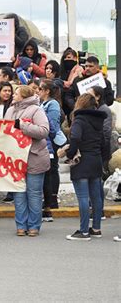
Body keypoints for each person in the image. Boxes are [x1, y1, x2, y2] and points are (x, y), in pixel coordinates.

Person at [4, 85, 50, 237]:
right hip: (16, 158)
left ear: (23, 95)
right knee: (19, 193)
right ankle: (21, 225)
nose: (13, 95)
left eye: (16, 93)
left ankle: (34, 226)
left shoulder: (37, 110)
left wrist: (23, 125)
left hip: (34, 156)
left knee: (34, 193)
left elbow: (44, 131)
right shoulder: (10, 110)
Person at [62, 94, 107, 241]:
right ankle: (96, 229)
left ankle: (83, 231)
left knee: (82, 197)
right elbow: (104, 142)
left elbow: (75, 138)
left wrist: (69, 153)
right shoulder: (99, 120)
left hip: (82, 162)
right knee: (96, 197)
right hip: (96, 160)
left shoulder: (79, 119)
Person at [38, 79, 64, 222]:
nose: (39, 91)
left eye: (41, 89)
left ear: (47, 91)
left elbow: (52, 125)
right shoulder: (43, 103)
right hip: (46, 140)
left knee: (50, 172)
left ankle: (49, 204)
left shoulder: (52, 104)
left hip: (52, 141)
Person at [88, 85, 113, 218]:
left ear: (97, 96)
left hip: (100, 151)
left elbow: (106, 132)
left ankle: (99, 210)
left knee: (97, 182)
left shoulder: (104, 110)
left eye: (90, 94)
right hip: (93, 151)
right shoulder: (92, 109)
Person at [59, 48, 85, 119]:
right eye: (65, 58)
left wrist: (60, 82)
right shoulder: (64, 70)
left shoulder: (79, 69)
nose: (67, 60)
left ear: (75, 58)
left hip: (73, 98)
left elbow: (70, 83)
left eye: (69, 57)